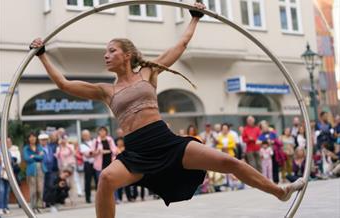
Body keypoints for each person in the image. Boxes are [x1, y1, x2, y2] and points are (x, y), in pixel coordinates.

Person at [30, 2, 305, 217]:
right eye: (105, 51)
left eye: (111, 50)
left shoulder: (148, 72)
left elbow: (181, 45)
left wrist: (195, 18)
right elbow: (64, 84)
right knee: (105, 179)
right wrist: (42, 55)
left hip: (167, 142)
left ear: (127, 55)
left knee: (228, 162)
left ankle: (279, 191)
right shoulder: (106, 90)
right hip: (137, 152)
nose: (106, 55)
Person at [23, 132, 47, 214]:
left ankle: (38, 206)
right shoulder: (26, 148)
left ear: (36, 138)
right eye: (30, 137)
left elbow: (42, 157)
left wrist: (33, 156)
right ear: (28, 138)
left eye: (34, 137)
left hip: (40, 169)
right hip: (31, 170)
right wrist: (37, 156)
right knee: (32, 190)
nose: (32, 138)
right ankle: (32, 207)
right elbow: (26, 158)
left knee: (40, 189)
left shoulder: (39, 147)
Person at [79, 130, 98, 203]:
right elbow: (87, 154)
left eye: (87, 135)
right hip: (87, 164)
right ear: (82, 137)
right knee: (88, 181)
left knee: (98, 181)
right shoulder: (82, 145)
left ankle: (98, 197)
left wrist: (93, 153)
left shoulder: (95, 142)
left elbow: (98, 151)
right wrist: (94, 153)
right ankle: (88, 198)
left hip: (96, 163)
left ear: (90, 135)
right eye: (84, 135)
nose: (86, 136)